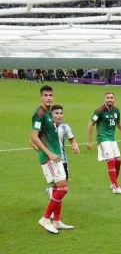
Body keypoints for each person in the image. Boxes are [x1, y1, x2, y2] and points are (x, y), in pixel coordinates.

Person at [31, 86, 74, 234]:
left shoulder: (49, 114)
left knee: (57, 188)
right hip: (50, 157)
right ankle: (45, 219)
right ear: (40, 97)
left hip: (56, 156)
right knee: (63, 188)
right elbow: (33, 137)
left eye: (50, 95)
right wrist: (48, 153)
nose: (48, 97)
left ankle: (56, 221)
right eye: (45, 95)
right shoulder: (39, 114)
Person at [32, 105, 80, 201]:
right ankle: (52, 212)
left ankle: (51, 194)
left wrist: (75, 146)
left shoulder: (65, 127)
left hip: (63, 159)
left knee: (63, 186)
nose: (59, 116)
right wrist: (43, 151)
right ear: (51, 114)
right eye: (56, 113)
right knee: (60, 187)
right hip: (51, 159)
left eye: (61, 113)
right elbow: (32, 140)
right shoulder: (47, 127)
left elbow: (72, 140)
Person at [87, 91, 121, 194]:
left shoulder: (116, 110)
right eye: (107, 97)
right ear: (104, 99)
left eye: (111, 97)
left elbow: (118, 123)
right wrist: (89, 141)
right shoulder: (99, 111)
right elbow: (90, 124)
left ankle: (113, 183)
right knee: (111, 161)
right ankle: (116, 187)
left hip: (112, 139)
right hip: (103, 139)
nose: (110, 99)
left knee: (118, 161)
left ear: (114, 99)